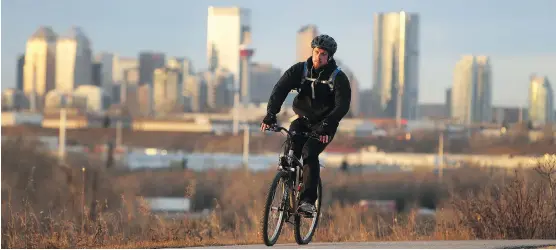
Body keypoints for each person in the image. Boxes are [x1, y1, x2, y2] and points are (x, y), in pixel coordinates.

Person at [260, 34, 351, 215]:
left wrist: (328, 126)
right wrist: (271, 114)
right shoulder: (299, 70)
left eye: (323, 54)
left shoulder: (338, 78)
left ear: (330, 57)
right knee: (291, 146)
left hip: (325, 125)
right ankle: (287, 182)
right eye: (316, 52)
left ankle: (308, 201)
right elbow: (280, 89)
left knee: (309, 153)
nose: (318, 56)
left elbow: (342, 106)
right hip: (302, 120)